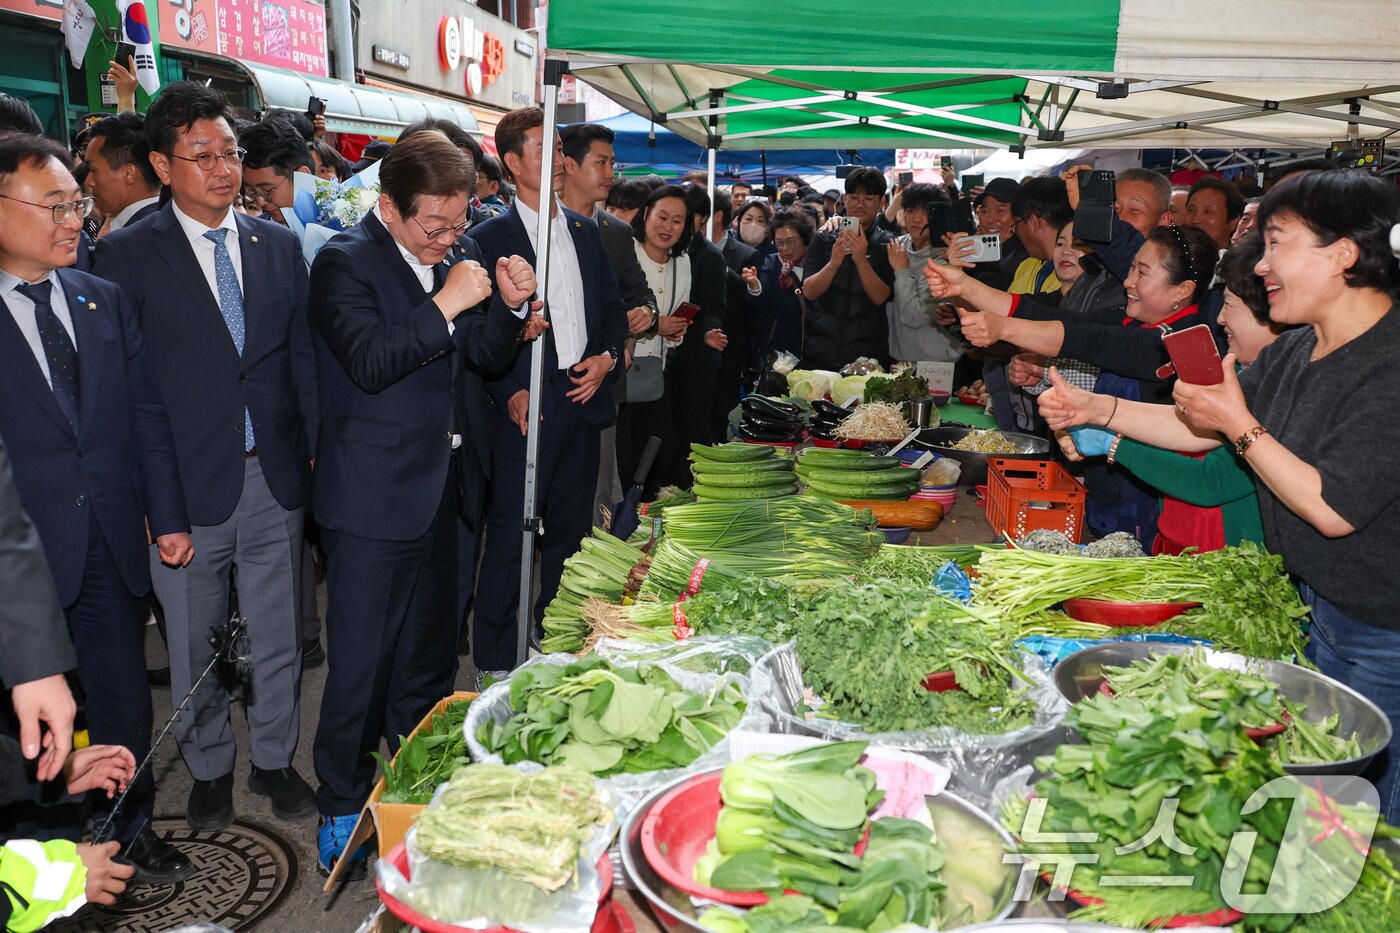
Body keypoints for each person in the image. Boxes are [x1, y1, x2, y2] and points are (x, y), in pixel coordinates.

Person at [1039, 170, 1400, 819]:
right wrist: (1097, 409)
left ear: (1343, 253)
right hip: (1320, 609)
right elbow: (1201, 430)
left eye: (1277, 243)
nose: (1261, 265)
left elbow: (1332, 506)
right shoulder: (1299, 350)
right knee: (1319, 804)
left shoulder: (1390, 363)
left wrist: (1237, 421)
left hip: (1384, 634)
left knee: (1361, 818)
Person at [307, 130, 537, 879]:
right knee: (361, 667)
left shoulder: (454, 265)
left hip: (445, 492)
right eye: (432, 225)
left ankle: (414, 784)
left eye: (457, 222)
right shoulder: (344, 262)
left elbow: (486, 357)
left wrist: (503, 307)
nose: (447, 237)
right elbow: (372, 361)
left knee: (429, 662)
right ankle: (341, 798)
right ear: (387, 205)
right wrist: (447, 301)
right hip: (371, 501)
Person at [95, 81, 319, 837]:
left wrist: (310, 457)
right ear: (162, 164)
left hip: (273, 473)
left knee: (278, 628)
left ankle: (277, 757)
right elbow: (125, 391)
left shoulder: (278, 244)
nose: (223, 168)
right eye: (203, 155)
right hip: (182, 487)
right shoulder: (124, 256)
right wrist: (152, 501)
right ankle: (212, 766)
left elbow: (299, 365)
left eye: (230, 151)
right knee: (191, 639)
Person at [0, 133, 194, 883]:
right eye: (53, 205)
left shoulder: (99, 297)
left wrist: (168, 516)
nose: (73, 217)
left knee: (121, 701)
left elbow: (146, 414)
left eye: (75, 202)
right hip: (20, 560)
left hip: (106, 541)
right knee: (33, 719)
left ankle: (128, 828)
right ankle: (40, 850)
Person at [930, 223, 1219, 545]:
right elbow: (1054, 316)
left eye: (1142, 272)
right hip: (1108, 494)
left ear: (1182, 290)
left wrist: (1004, 329)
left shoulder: (1184, 340)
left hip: (1153, 506)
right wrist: (966, 287)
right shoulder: (1134, 320)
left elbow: (1089, 340)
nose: (1128, 281)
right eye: (1132, 268)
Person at [467, 107, 627, 682]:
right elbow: (479, 332)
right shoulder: (486, 238)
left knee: (572, 535)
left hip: (582, 395)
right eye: (544, 149)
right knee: (511, 531)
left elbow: (610, 311)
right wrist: (508, 388)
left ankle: (553, 640)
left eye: (560, 147)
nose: (559, 160)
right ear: (512, 163)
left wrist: (607, 358)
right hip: (526, 403)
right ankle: (491, 660)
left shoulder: (588, 230)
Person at [1057, 233, 1281, 551]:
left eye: (1229, 304)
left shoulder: (1279, 384)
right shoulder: (1244, 371)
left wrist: (1113, 440)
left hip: (1230, 552)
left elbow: (1211, 480)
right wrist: (1098, 413)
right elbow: (1191, 428)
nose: (1219, 318)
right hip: (1180, 537)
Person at [558, 122, 655, 526]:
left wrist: (645, 315)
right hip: (544, 382)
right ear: (570, 165)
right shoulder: (540, 224)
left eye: (612, 163)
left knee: (598, 483)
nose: (611, 173)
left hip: (601, 381)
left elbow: (641, 294)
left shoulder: (615, 232)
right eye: (601, 162)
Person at [617, 185, 695, 496]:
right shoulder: (626, 251)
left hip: (654, 376)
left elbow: (678, 316)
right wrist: (654, 324)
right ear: (646, 214)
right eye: (662, 217)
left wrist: (675, 330)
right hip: (619, 372)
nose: (668, 227)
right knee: (625, 455)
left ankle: (645, 515)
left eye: (677, 221)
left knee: (658, 453)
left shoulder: (683, 262)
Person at [663, 184, 728, 483]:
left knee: (691, 434)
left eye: (683, 217)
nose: (674, 224)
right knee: (666, 432)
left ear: (701, 218)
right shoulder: (663, 249)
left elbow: (713, 305)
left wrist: (709, 331)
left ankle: (689, 490)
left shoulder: (710, 257)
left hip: (696, 361)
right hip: (663, 358)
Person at [800, 166, 894, 369]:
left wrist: (861, 260)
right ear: (845, 199)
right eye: (854, 197)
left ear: (882, 202)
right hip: (819, 351)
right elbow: (809, 291)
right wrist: (834, 262)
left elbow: (880, 296)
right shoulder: (824, 238)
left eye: (868, 198)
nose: (860, 204)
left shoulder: (887, 243)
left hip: (867, 357)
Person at [886, 183, 962, 367]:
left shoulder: (946, 257)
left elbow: (914, 316)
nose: (916, 218)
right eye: (911, 210)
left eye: (926, 212)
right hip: (900, 358)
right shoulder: (897, 246)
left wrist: (902, 271)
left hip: (938, 362)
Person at [709, 190, 760, 441]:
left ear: (717, 216)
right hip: (695, 346)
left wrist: (719, 265)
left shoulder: (745, 255)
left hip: (730, 349)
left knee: (723, 415)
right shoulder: (684, 248)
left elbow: (749, 303)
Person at [743, 208, 813, 365]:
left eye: (790, 241)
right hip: (779, 348)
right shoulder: (772, 262)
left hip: (813, 345)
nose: (785, 248)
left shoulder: (816, 261)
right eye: (779, 243)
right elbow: (762, 301)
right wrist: (755, 286)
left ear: (804, 238)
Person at [82, 112, 161, 235]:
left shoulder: (126, 241)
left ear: (129, 174)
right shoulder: (175, 222)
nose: (89, 182)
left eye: (93, 170)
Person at [238, 117, 315, 226]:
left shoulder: (343, 227)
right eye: (252, 192)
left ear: (302, 177)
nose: (260, 202)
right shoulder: (249, 237)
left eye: (267, 190)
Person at [1184, 175, 1245, 250]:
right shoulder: (1172, 258)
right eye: (1191, 210)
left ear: (1233, 222)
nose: (1196, 220)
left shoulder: (1242, 260)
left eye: (1208, 212)